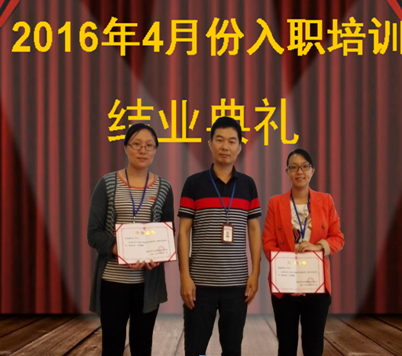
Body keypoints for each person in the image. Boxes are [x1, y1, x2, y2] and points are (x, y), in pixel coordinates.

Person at [87, 123, 175, 356]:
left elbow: (168, 233)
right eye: (136, 144)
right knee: (112, 346)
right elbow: (93, 233)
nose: (143, 150)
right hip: (112, 281)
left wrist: (157, 256)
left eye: (149, 145)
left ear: (156, 150)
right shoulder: (107, 184)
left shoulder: (164, 187)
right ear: (126, 147)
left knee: (142, 347)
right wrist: (120, 249)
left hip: (147, 284)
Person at [178, 116, 262, 356]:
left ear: (240, 147)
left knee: (232, 348)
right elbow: (183, 232)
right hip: (199, 284)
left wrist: (255, 273)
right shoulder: (194, 183)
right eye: (220, 140)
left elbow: (254, 230)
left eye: (232, 141)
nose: (225, 146)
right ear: (210, 144)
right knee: (195, 349)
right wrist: (184, 276)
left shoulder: (248, 185)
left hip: (237, 284)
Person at [262, 148, 345, 356]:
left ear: (312, 170)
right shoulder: (275, 203)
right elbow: (268, 242)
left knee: (313, 346)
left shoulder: (326, 200)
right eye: (293, 167)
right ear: (287, 172)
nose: (299, 172)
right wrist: (290, 276)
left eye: (304, 166)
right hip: (284, 285)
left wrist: (319, 246)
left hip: (316, 284)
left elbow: (338, 238)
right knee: (286, 346)